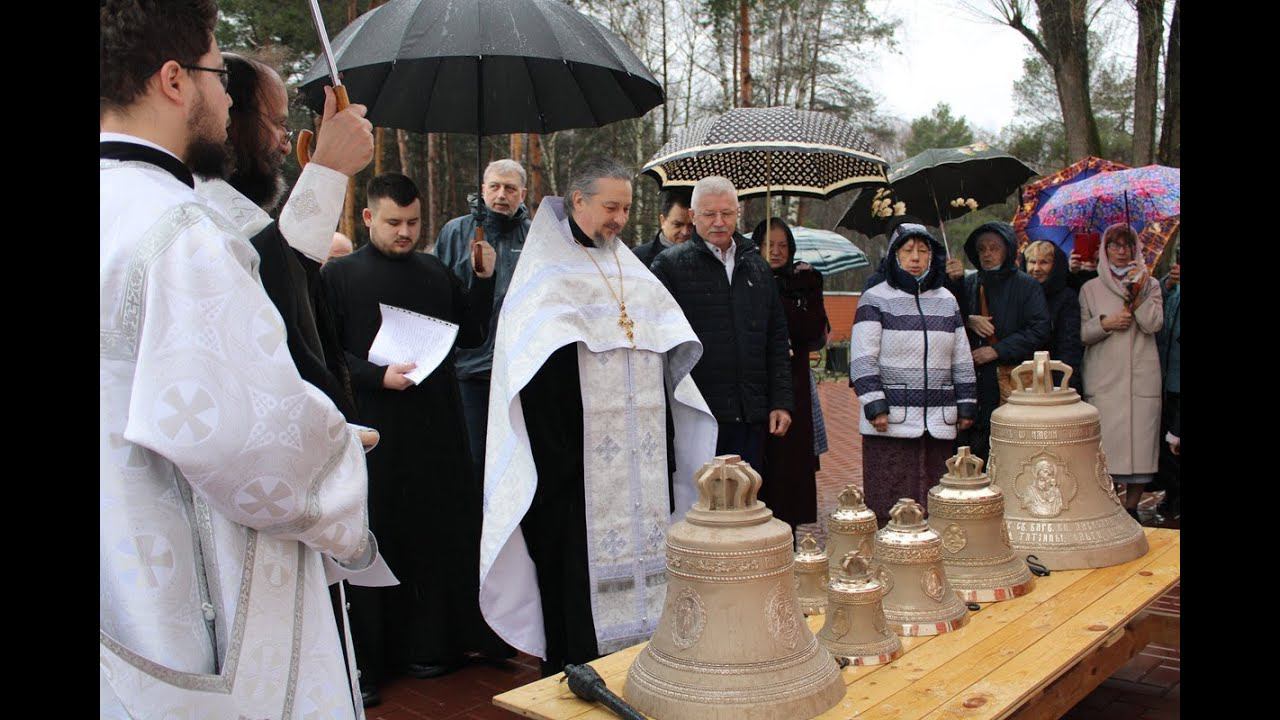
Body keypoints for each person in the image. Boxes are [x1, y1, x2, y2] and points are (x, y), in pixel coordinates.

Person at [101, 2, 382, 716]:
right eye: (214, 72)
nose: (224, 94)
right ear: (173, 81)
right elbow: (253, 449)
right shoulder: (179, 232)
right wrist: (340, 457)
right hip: (195, 601)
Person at [478, 158, 717, 677]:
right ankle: (576, 675)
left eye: (626, 208)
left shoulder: (630, 269)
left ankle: (644, 666)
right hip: (572, 473)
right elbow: (532, 375)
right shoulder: (542, 277)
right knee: (573, 580)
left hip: (642, 466)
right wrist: (566, 461)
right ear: (577, 202)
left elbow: (667, 349)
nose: (619, 219)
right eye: (610, 207)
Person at [322, 173, 509, 702]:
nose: (405, 232)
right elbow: (326, 353)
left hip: (436, 426)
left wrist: (484, 280)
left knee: (437, 531)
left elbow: (470, 335)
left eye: (413, 222)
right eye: (394, 223)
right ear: (367, 218)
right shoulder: (340, 278)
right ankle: (373, 661)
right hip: (376, 429)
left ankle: (439, 645)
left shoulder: (432, 271)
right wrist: (375, 376)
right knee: (383, 533)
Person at [192, 51, 371, 421]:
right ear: (229, 116)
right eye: (276, 124)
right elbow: (280, 307)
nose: (286, 144)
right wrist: (327, 169)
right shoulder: (198, 217)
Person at [650, 176, 793, 471]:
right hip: (697, 412)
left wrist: (781, 401)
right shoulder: (670, 266)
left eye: (727, 213)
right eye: (709, 214)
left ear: (737, 214)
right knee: (702, 506)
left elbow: (776, 338)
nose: (719, 222)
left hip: (751, 411)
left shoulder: (757, 267)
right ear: (692, 216)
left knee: (746, 501)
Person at [849, 223, 977, 521]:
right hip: (890, 420)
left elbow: (962, 357)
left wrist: (967, 403)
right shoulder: (875, 298)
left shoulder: (947, 300)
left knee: (937, 497)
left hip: (939, 418)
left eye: (923, 251)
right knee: (891, 500)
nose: (916, 258)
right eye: (908, 251)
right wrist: (875, 405)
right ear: (895, 255)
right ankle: (891, 557)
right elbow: (862, 357)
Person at [435, 159, 532, 483]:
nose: (501, 194)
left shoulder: (535, 237)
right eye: (494, 186)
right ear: (483, 189)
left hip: (520, 370)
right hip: (469, 370)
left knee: (518, 460)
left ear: (523, 194)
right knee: (473, 460)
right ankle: (474, 530)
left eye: (510, 188)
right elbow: (438, 296)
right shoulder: (456, 232)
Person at [1079, 223, 1164, 521]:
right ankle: (1109, 506)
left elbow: (1154, 325)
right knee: (1105, 448)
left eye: (1127, 245)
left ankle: (1132, 507)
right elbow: (1083, 334)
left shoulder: (1150, 284)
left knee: (1141, 446)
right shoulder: (1089, 288)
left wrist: (1137, 294)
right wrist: (1106, 323)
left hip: (1142, 377)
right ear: (1105, 250)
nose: (1121, 251)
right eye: (1114, 245)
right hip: (1105, 378)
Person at [750, 217, 828, 531]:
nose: (776, 251)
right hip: (756, 386)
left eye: (783, 245)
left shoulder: (803, 283)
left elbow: (812, 330)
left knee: (789, 470)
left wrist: (791, 297)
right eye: (769, 245)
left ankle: (788, 538)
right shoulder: (748, 281)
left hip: (792, 386)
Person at [956, 222, 1050, 462]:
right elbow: (952, 322)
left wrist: (997, 350)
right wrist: (969, 319)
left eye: (994, 248)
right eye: (982, 249)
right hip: (976, 381)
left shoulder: (1026, 285)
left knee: (1014, 446)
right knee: (976, 447)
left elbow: (1040, 330)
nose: (987, 254)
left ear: (1007, 249)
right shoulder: (969, 283)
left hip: (1013, 379)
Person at [1020, 240, 1084, 392]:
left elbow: (1069, 345)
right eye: (1032, 262)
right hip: (1023, 376)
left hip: (1056, 377)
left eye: (1044, 262)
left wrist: (1064, 383)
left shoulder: (1066, 297)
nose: (1036, 268)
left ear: (1055, 265)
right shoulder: (1019, 295)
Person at [1154, 244, 1181, 521]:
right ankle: (1172, 495)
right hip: (1165, 378)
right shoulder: (1170, 288)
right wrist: (1167, 284)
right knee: (1169, 445)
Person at [632, 188, 694, 265]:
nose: (685, 232)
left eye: (691, 225)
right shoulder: (637, 258)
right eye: (677, 225)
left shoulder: (708, 257)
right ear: (662, 221)